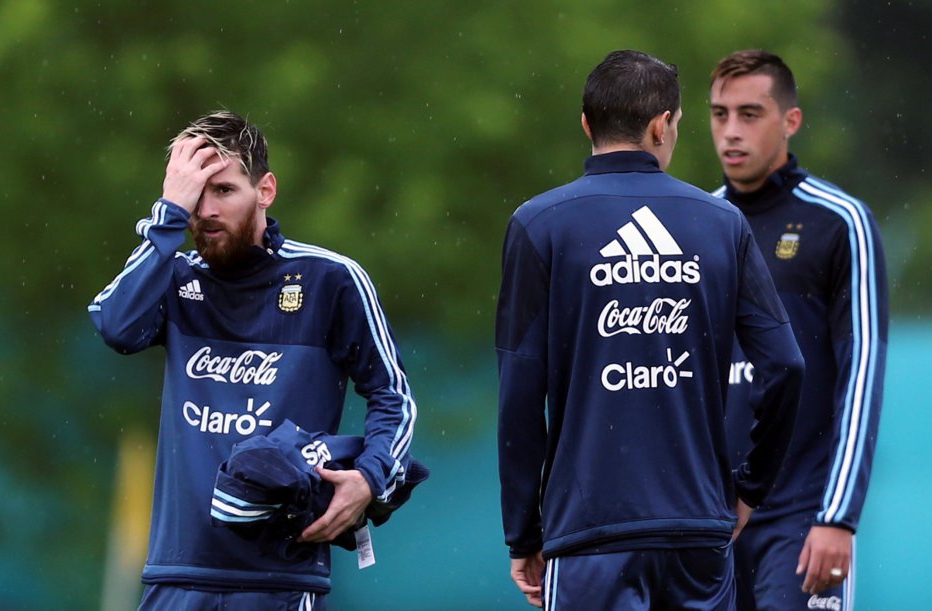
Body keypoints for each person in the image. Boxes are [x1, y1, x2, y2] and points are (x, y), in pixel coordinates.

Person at [495, 50, 805, 610]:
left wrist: (523, 532)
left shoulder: (539, 223)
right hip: (698, 531)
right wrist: (749, 489)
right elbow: (786, 365)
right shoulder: (721, 223)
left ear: (587, 124)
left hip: (590, 534)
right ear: (663, 124)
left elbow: (520, 394)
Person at [88, 111, 418, 610]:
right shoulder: (174, 277)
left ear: (265, 190)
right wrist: (167, 217)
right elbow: (115, 326)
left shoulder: (329, 279)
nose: (206, 209)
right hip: (177, 575)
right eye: (193, 195)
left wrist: (370, 479)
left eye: (223, 190)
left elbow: (392, 395)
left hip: (280, 579)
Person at [709, 49, 888, 610]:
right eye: (719, 114)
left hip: (801, 518)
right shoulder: (697, 225)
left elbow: (860, 374)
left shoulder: (840, 222)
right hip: (709, 523)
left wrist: (838, 517)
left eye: (749, 113)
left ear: (791, 121)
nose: (731, 132)